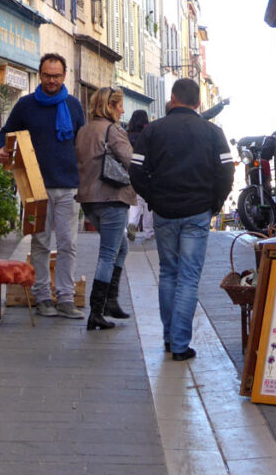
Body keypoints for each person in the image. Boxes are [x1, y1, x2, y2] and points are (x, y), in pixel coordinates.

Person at [129, 78, 233, 361]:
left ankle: (168, 337)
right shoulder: (213, 132)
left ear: (172, 98)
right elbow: (226, 172)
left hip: (164, 211)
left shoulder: (153, 131)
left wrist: (153, 197)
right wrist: (215, 203)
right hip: (198, 212)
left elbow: (136, 170)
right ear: (199, 103)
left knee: (168, 274)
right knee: (188, 278)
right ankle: (179, 344)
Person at [0, 54, 86, 319]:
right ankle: (43, 296)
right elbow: (4, 134)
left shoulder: (73, 106)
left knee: (68, 243)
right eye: (47, 75)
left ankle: (67, 299)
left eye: (56, 76)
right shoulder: (26, 105)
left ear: (64, 75)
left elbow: (82, 143)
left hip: (68, 186)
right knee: (40, 243)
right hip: (35, 186)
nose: (51, 80)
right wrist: (0, 149)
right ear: (40, 74)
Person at [75, 87, 137, 330]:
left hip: (89, 199)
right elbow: (131, 160)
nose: (122, 110)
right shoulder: (113, 130)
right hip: (112, 196)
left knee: (121, 246)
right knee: (108, 254)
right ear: (109, 106)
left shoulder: (84, 130)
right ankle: (96, 311)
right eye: (119, 105)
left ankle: (110, 301)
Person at [125, 110, 152, 241]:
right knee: (148, 205)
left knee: (135, 202)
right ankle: (148, 232)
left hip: (131, 173)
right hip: (147, 174)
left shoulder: (127, 135)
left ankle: (132, 224)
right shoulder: (148, 134)